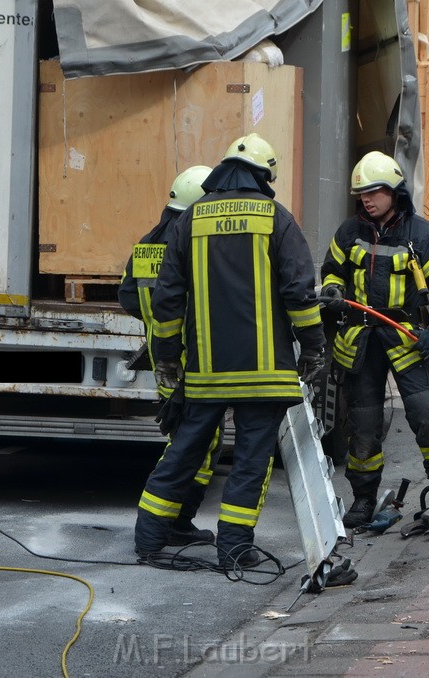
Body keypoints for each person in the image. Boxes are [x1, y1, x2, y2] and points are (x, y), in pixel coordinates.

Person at [134, 133, 327, 568]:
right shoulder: (277, 218)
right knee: (250, 463)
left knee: (184, 452)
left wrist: (166, 356)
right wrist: (314, 347)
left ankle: (148, 541)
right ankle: (235, 549)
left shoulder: (190, 220)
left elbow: (167, 298)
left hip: (206, 372)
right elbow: (299, 293)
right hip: (265, 375)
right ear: (265, 175)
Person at [320, 151, 429, 528]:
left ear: (394, 191)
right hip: (360, 341)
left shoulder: (420, 234)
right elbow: (332, 272)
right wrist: (333, 293)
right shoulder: (348, 232)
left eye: (374, 191)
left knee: (428, 418)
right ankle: (364, 499)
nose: (366, 199)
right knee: (362, 427)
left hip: (407, 340)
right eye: (361, 193)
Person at [118, 165, 222, 548]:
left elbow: (128, 296)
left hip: (164, 360)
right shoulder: (190, 242)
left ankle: (173, 522)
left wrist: (154, 324)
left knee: (189, 439)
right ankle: (172, 522)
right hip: (194, 358)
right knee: (197, 444)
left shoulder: (147, 243)